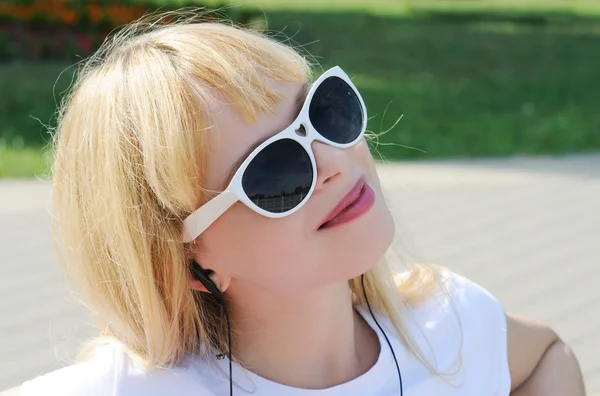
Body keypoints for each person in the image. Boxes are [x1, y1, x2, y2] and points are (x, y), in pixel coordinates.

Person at [4, 11, 585, 396]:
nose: (334, 162)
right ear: (187, 260)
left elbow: (547, 355)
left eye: (325, 113)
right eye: (275, 171)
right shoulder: (134, 387)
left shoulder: (450, 325)